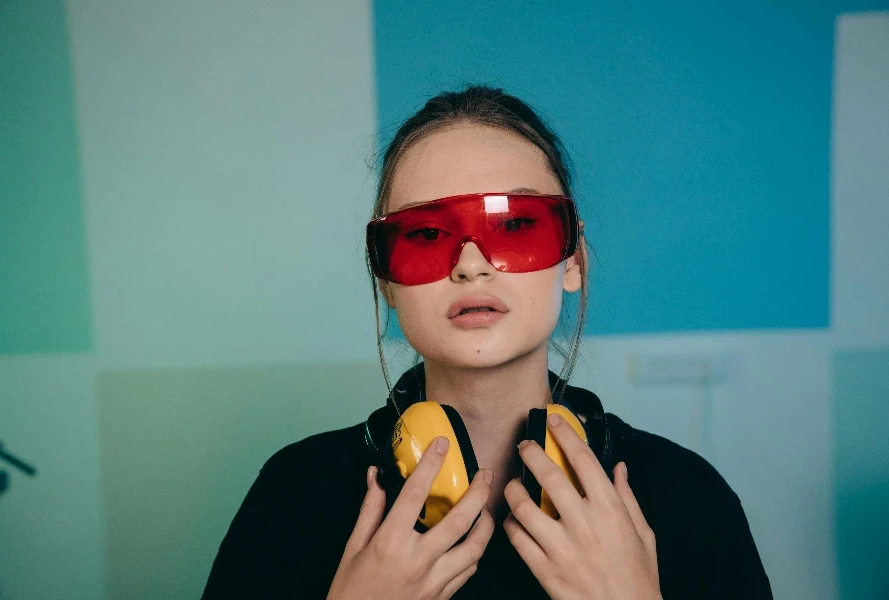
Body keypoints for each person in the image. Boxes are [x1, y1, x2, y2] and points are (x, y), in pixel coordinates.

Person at [201, 85, 773, 599]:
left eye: (516, 225)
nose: (471, 265)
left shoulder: (688, 500)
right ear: (387, 282)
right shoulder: (294, 496)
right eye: (427, 234)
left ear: (573, 259)